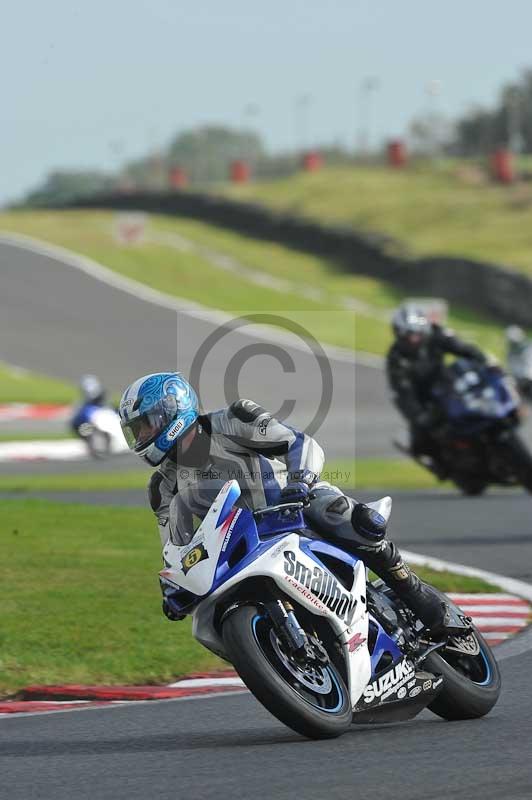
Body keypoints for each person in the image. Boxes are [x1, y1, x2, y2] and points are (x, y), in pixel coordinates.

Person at [119, 371, 460, 635]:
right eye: (137, 431)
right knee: (212, 610)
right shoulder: (162, 487)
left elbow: (299, 443)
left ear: (171, 411)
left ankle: (412, 590)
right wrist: (173, 585)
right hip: (243, 543)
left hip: (294, 502)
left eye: (146, 425)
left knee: (355, 522)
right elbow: (173, 549)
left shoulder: (235, 418)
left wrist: (299, 483)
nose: (142, 437)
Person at [387, 306, 486, 458]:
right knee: (421, 441)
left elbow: (462, 348)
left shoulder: (436, 334)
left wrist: (482, 360)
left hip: (448, 385)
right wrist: (418, 416)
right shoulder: (396, 358)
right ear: (400, 335)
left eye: (417, 333)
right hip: (424, 400)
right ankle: (443, 463)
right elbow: (402, 392)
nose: (414, 339)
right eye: (409, 335)